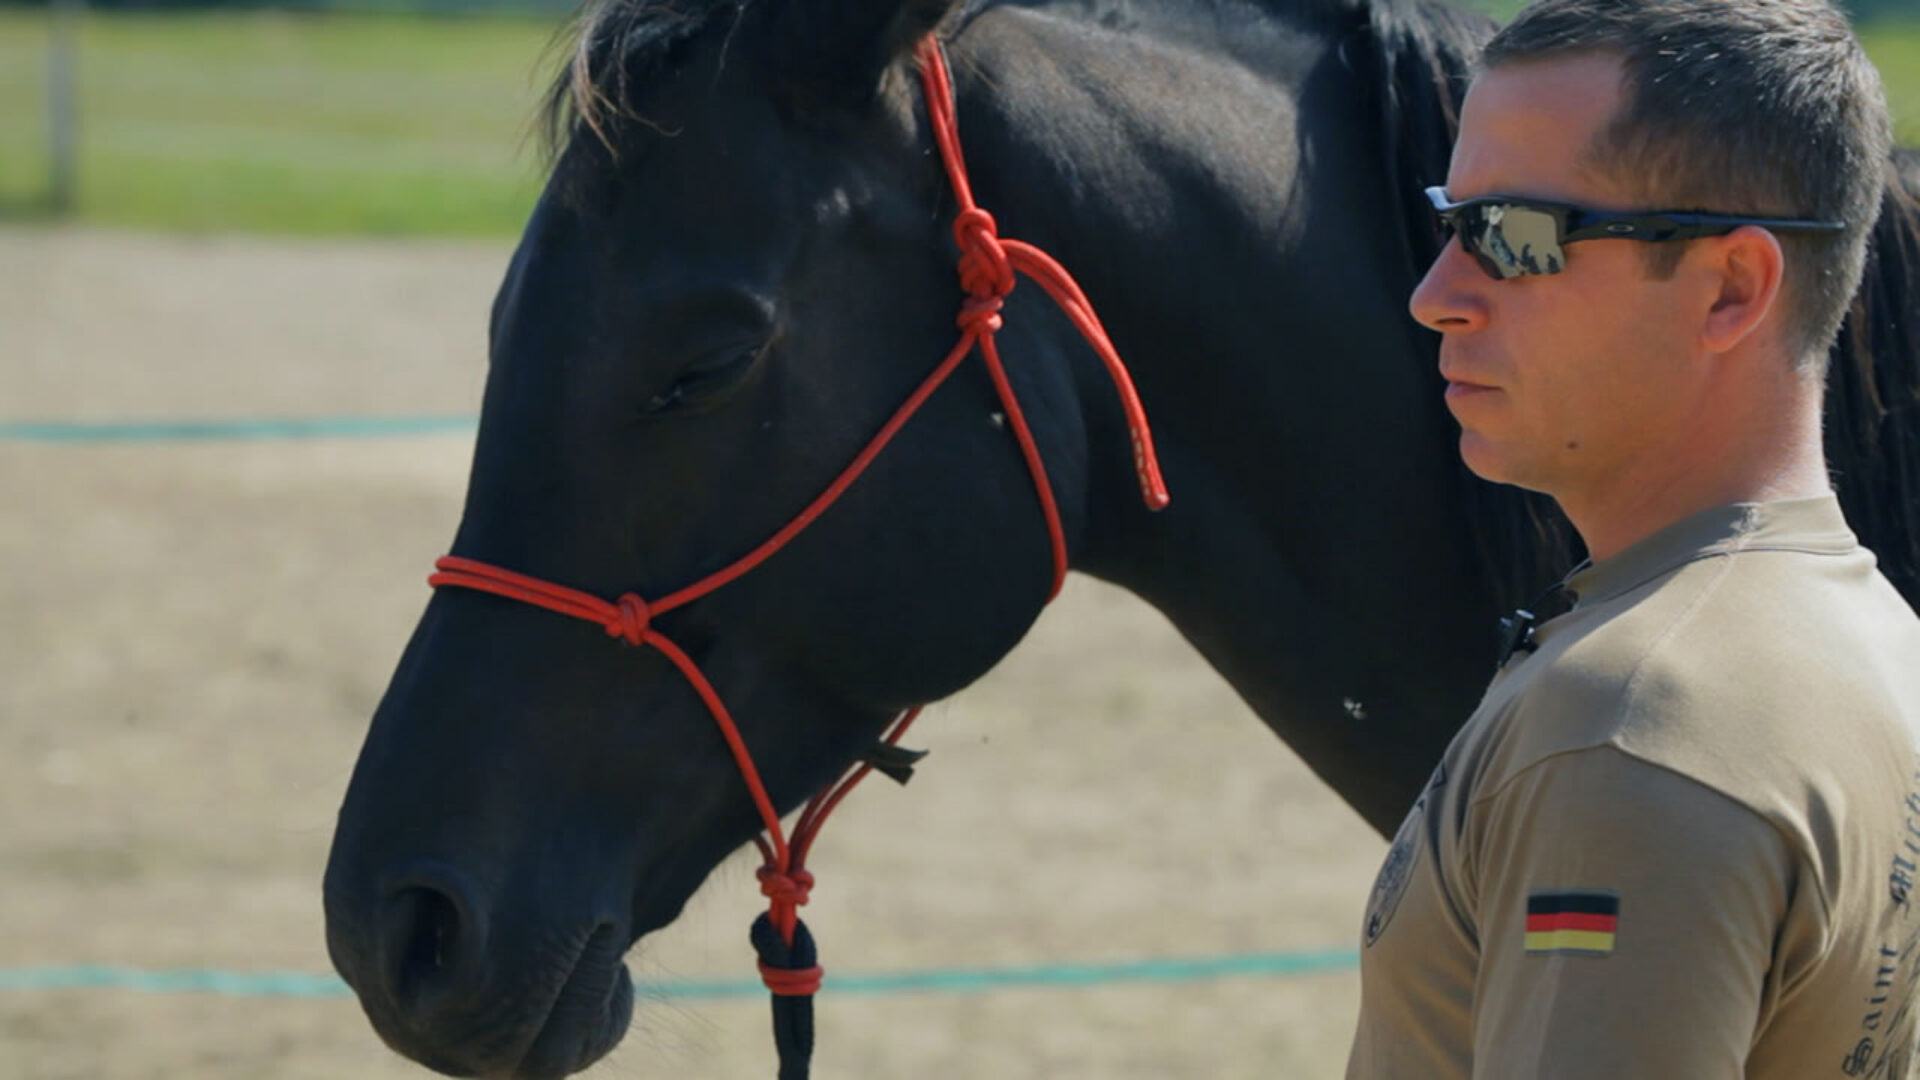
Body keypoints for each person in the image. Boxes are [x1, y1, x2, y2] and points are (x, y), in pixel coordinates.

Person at [1346, 1, 1920, 1077]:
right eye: (1447, 220)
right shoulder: (1871, 633)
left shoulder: (1630, 724)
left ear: (1730, 289)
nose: (1436, 297)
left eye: (1512, 235)